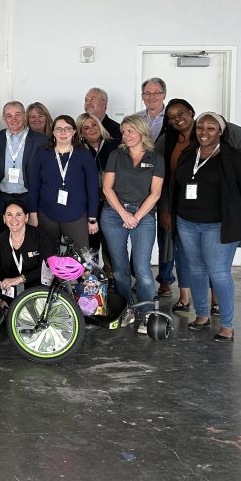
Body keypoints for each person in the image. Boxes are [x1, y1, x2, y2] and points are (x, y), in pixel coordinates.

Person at [156, 98, 241, 311]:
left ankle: (221, 312)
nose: (204, 131)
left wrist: (232, 204)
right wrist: (168, 209)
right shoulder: (180, 148)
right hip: (186, 219)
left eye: (210, 128)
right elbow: (172, 182)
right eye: (172, 117)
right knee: (193, 265)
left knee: (218, 269)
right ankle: (196, 310)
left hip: (217, 221)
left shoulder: (231, 154)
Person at [100, 115, 165, 333]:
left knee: (142, 268)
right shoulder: (116, 155)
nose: (126, 135)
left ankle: (147, 314)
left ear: (141, 131)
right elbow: (107, 188)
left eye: (130, 131)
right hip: (113, 214)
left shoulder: (156, 158)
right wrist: (124, 214)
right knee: (119, 269)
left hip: (143, 216)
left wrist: (135, 216)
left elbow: (155, 194)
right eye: (123, 131)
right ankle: (125, 308)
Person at [26, 115, 99, 250]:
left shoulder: (84, 155)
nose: (63, 132)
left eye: (67, 128)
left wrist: (92, 218)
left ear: (74, 131)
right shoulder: (42, 155)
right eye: (59, 129)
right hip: (47, 215)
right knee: (47, 255)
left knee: (80, 257)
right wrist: (33, 214)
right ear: (53, 132)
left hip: (76, 214)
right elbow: (34, 186)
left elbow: (93, 188)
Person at [0, 101, 48, 229]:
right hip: (2, 198)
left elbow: (45, 173)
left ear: (24, 116)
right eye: (9, 115)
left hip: (29, 198)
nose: (13, 119)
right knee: (3, 236)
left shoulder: (40, 140)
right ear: (3, 118)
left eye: (18, 114)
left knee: (30, 236)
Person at [0, 200, 55, 308]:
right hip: (10, 296)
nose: (14, 219)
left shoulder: (40, 237)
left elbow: (47, 268)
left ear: (26, 217)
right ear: (4, 218)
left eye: (19, 214)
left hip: (39, 293)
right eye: (9, 215)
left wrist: (20, 279)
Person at [76, 112, 118, 261]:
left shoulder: (115, 145)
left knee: (111, 243)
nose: (92, 129)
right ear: (81, 133)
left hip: (111, 202)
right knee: (91, 242)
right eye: (86, 128)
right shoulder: (77, 150)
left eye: (94, 125)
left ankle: (111, 272)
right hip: (88, 204)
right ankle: (92, 273)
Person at [137, 77, 168, 141]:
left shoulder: (173, 119)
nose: (151, 97)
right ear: (142, 96)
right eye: (147, 93)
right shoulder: (135, 119)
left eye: (156, 93)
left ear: (164, 95)